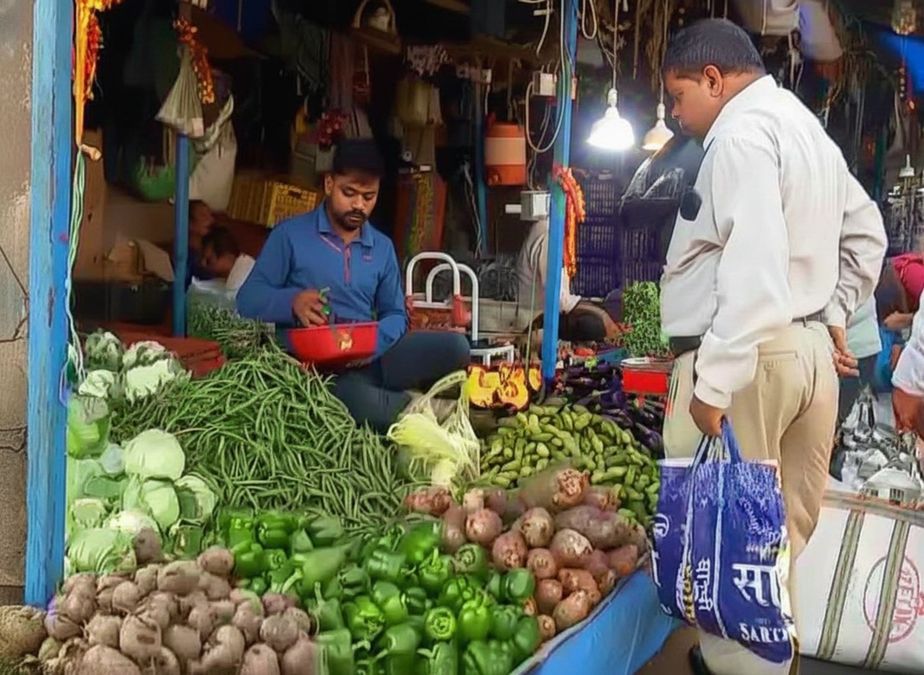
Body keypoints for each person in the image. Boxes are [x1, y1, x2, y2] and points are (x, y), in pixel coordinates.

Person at [658, 19, 886, 675]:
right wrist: (837, 310)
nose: (677, 115)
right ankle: (764, 662)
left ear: (712, 79)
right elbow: (866, 232)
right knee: (775, 539)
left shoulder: (737, 137)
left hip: (751, 359)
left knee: (728, 547)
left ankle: (742, 666)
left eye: (678, 98)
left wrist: (713, 383)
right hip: (810, 354)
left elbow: (753, 274)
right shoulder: (800, 127)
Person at [236, 138, 470, 431]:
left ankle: (396, 403)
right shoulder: (289, 236)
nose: (359, 205)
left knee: (456, 347)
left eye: (369, 196)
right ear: (329, 184)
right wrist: (292, 301)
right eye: (350, 193)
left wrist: (373, 344)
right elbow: (246, 301)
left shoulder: (382, 248)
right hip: (316, 369)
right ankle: (409, 408)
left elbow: (395, 315)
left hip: (370, 358)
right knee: (359, 402)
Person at [515, 217, 620, 343]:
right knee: (594, 325)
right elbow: (561, 301)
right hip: (534, 319)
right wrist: (604, 317)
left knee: (604, 311)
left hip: (547, 312)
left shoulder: (555, 233)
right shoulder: (548, 235)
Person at [199, 227, 256, 292]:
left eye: (209, 260)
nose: (202, 263)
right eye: (202, 257)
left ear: (228, 256)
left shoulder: (240, 280)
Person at [188, 200, 217, 285]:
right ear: (190, 223)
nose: (211, 219)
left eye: (210, 215)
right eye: (203, 215)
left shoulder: (213, 246)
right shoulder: (184, 254)